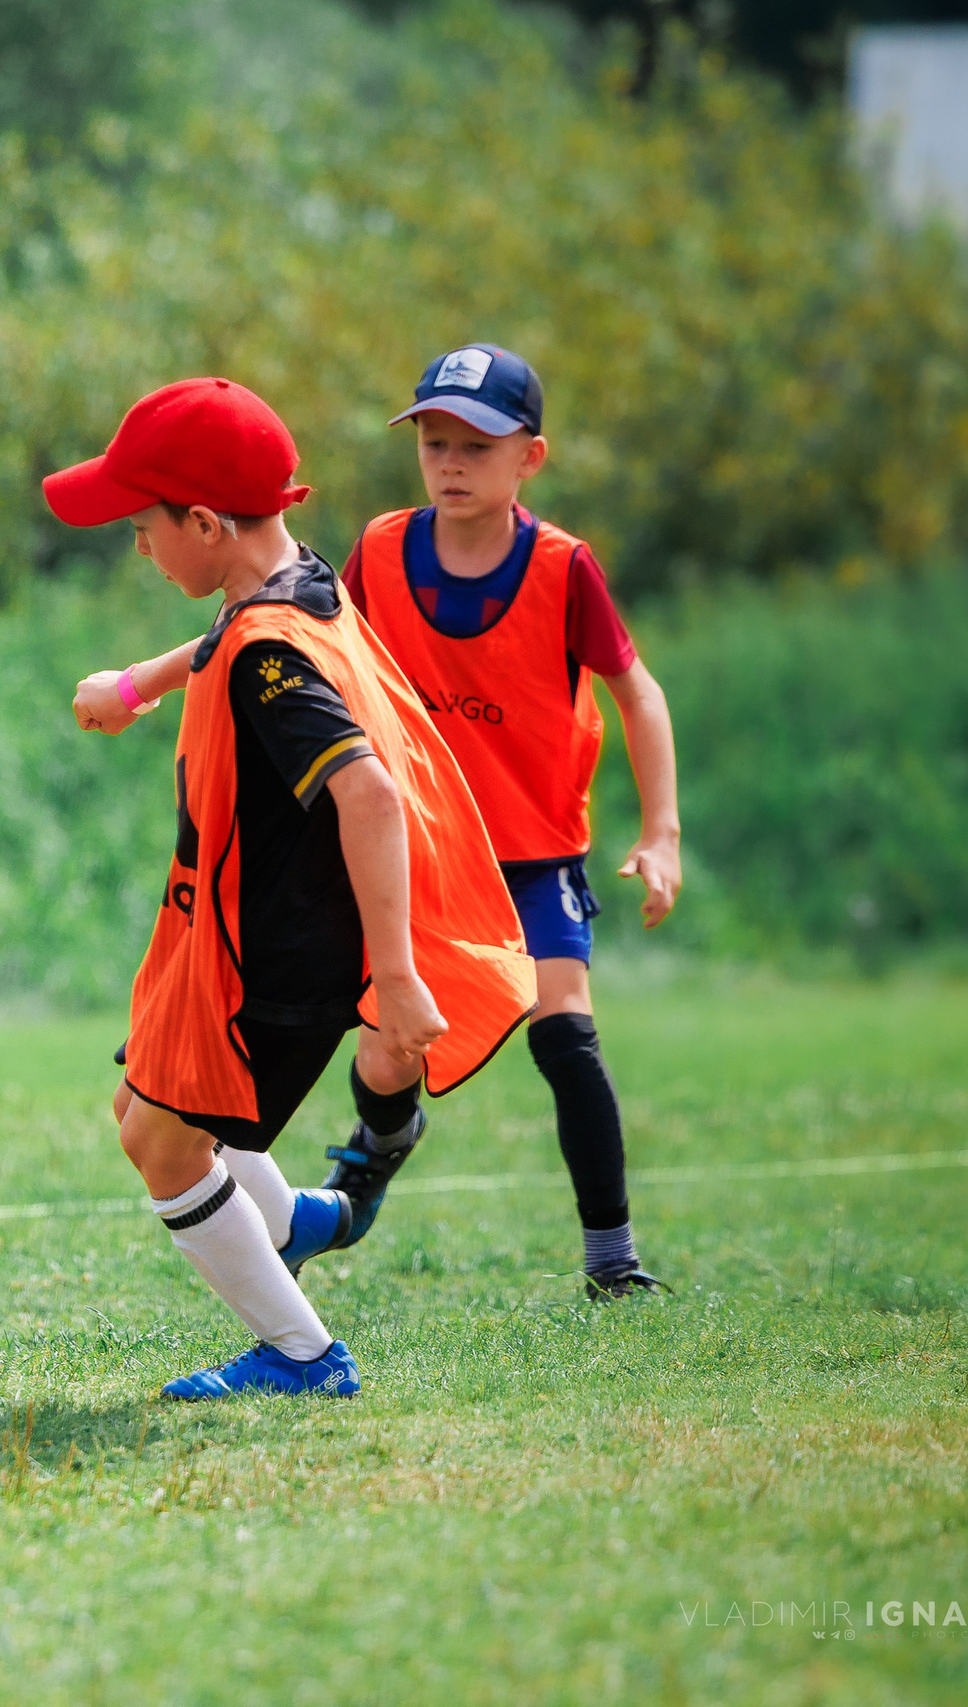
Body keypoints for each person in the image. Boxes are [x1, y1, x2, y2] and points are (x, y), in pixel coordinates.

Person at [73, 345, 678, 1298]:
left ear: (531, 456)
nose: (451, 461)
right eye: (435, 440)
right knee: (389, 1055)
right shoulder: (383, 551)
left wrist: (663, 832)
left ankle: (613, 1256)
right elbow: (268, 629)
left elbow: (636, 694)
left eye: (477, 444)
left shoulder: (563, 569)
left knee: (564, 1035)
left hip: (529, 852)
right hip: (419, 850)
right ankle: (377, 1149)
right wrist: (140, 682)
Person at [43, 377, 535, 1399]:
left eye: (146, 524)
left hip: (281, 953)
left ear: (209, 523)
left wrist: (395, 981)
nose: (139, 544)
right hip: (226, 928)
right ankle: (302, 1220)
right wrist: (137, 686)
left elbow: (369, 795)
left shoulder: (273, 652)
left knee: (165, 1145)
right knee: (144, 1100)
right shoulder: (292, 581)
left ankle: (303, 1356)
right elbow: (232, 633)